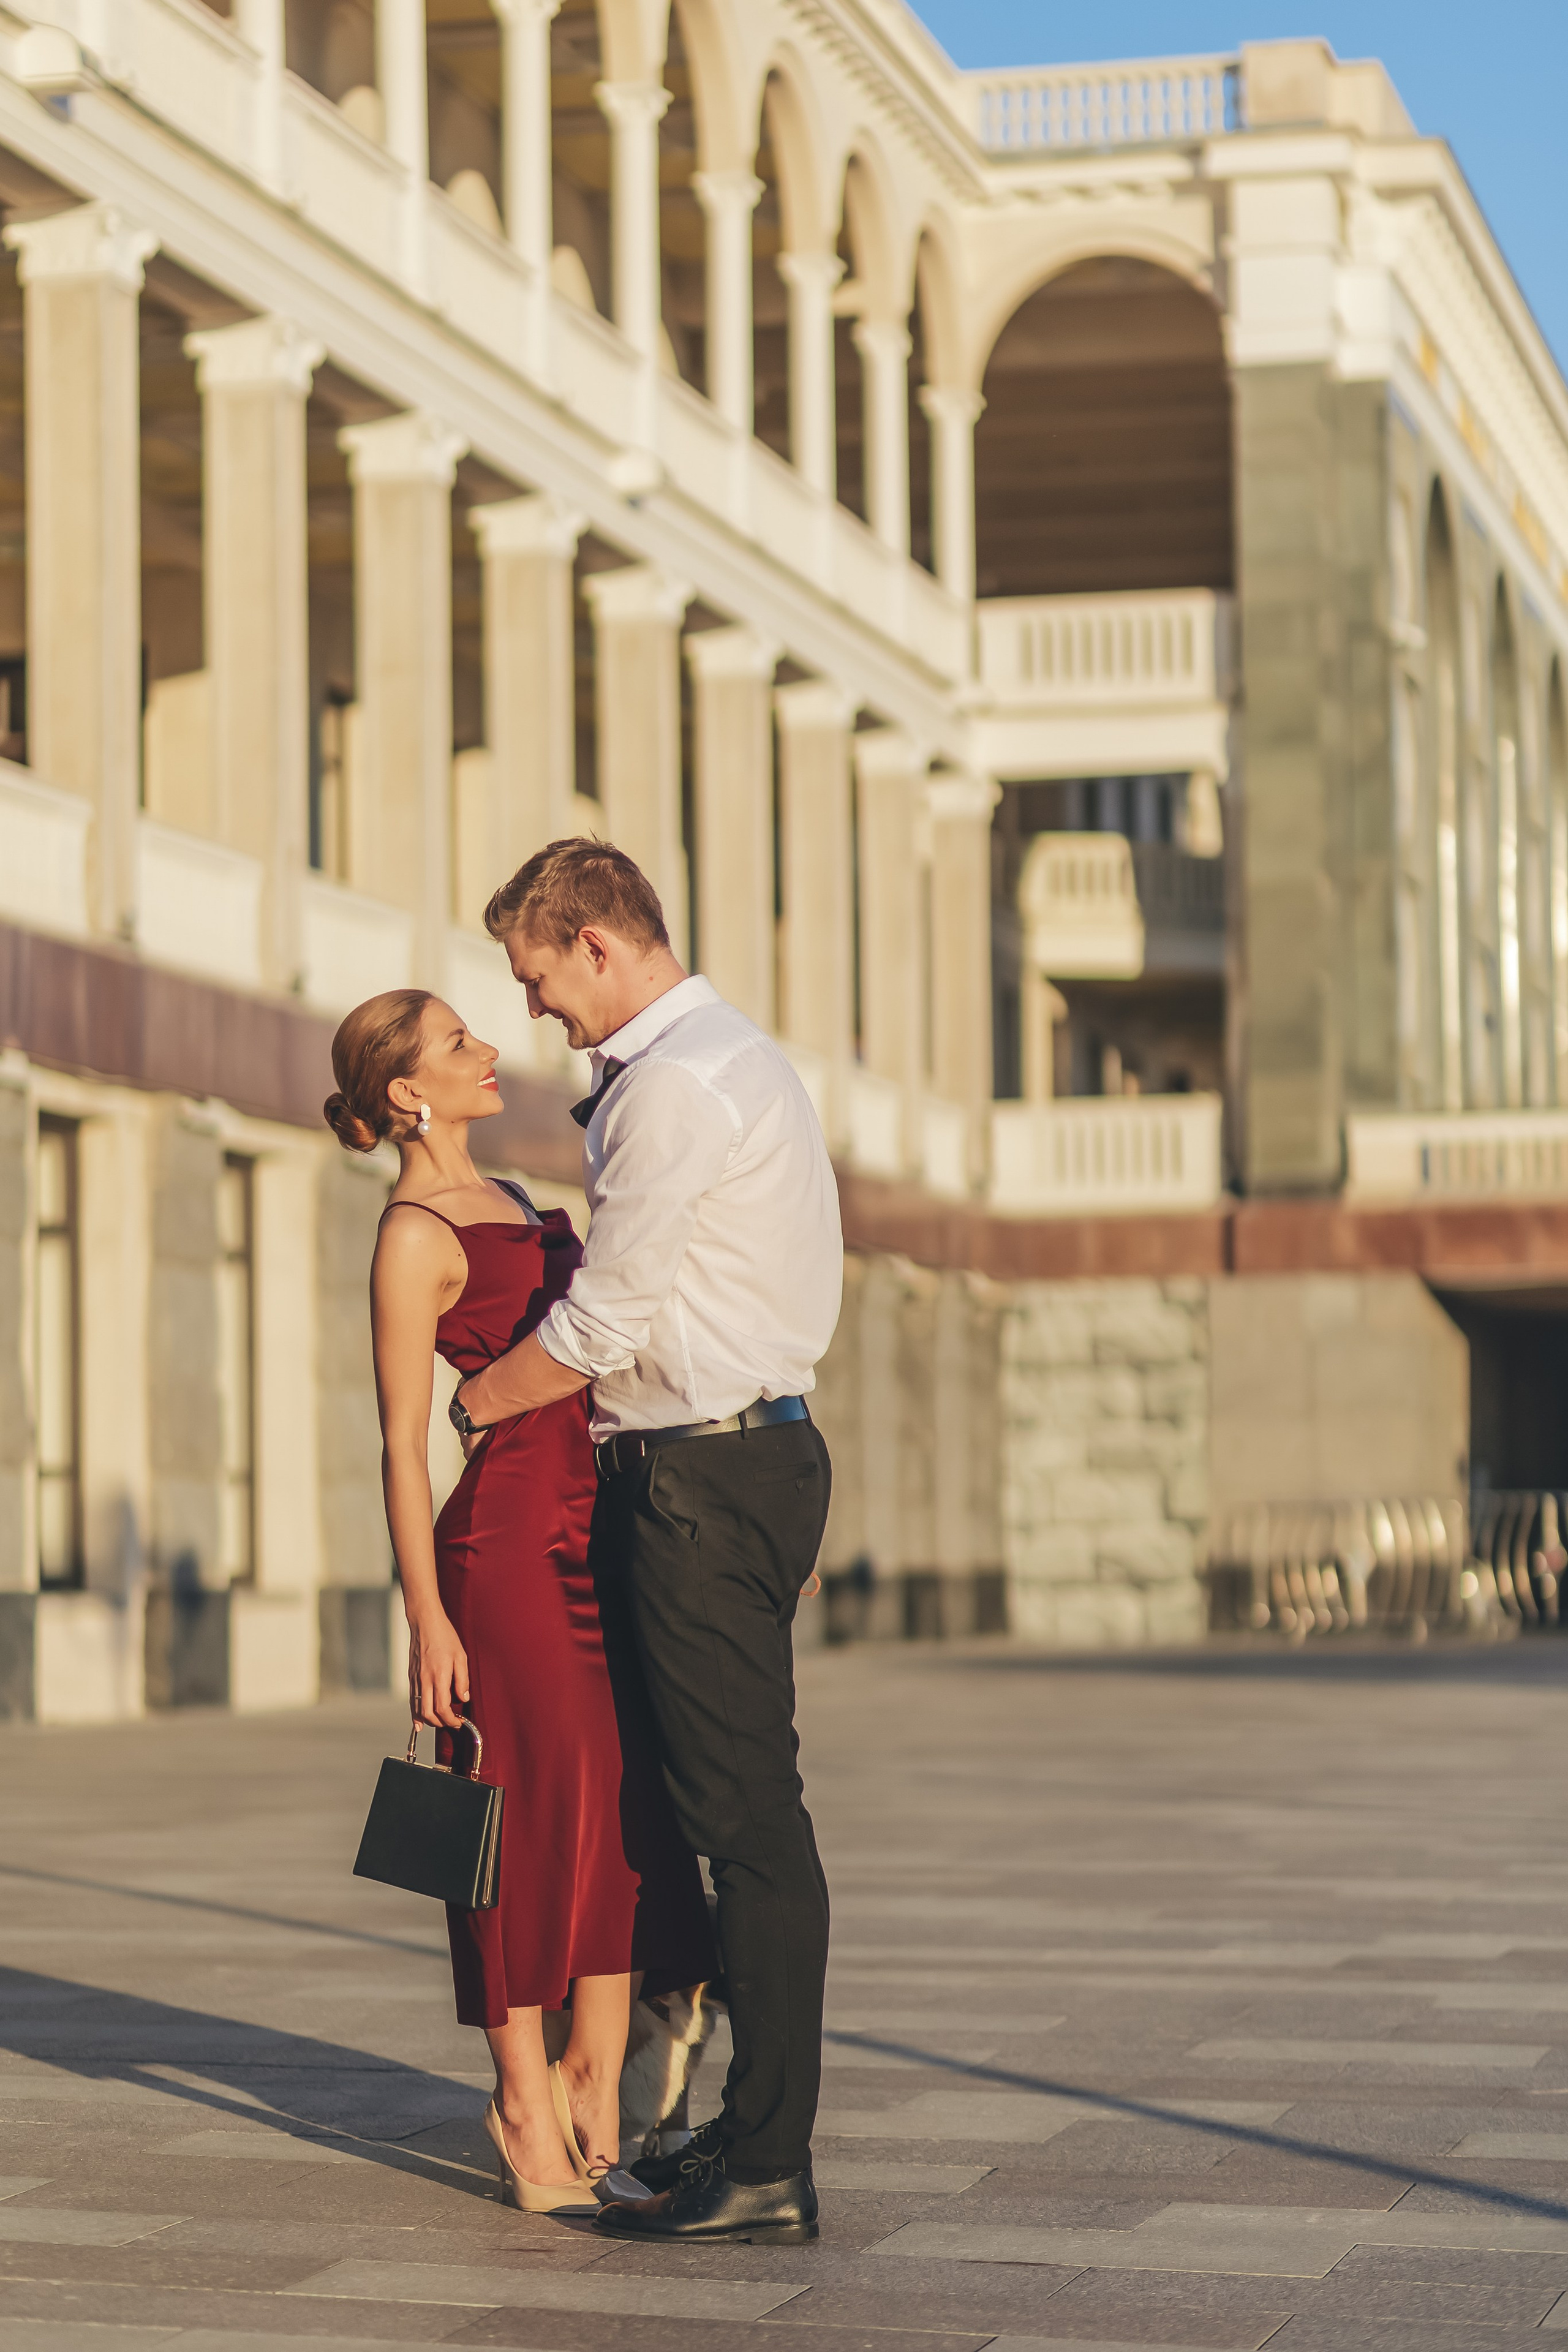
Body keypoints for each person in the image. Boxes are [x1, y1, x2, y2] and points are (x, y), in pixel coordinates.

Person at [448, 838, 843, 2247]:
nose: (534, 1009)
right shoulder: (729, 1059)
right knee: (703, 1811)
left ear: (598, 946)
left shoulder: (672, 1085)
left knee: (744, 1823)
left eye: (537, 978)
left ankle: (769, 2159)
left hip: (698, 1474)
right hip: (736, 1457)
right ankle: (738, 2128)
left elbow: (607, 1320)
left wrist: (480, 1400)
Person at [323, 989, 714, 2215]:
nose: (488, 1050)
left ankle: (592, 2071)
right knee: (517, 1824)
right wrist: (425, 1618)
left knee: (615, 1806)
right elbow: (402, 1446)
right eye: (458, 1044)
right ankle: (523, 2103)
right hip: (502, 1557)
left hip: (596, 1537)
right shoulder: (411, 1237)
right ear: (407, 1093)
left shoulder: (518, 1197)